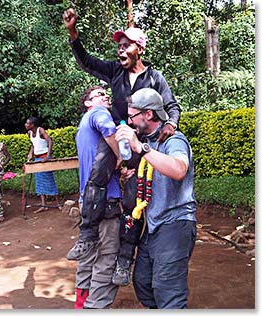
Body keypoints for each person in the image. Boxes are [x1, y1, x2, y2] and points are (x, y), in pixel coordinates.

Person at [63, 8, 181, 280]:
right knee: (96, 177)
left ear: (139, 48)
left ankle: (124, 260)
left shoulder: (154, 78)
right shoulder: (114, 71)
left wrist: (170, 125)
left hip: (143, 143)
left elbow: (172, 106)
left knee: (134, 200)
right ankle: (87, 235)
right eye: (118, 46)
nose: (120, 50)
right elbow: (87, 62)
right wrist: (73, 33)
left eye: (126, 46)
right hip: (119, 136)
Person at [115, 88, 197, 309]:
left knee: (168, 290)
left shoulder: (175, 140)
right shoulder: (150, 140)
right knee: (142, 282)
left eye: (132, 116)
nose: (130, 121)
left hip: (175, 223)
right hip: (154, 226)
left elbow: (179, 169)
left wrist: (140, 148)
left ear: (148, 115)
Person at [73, 86, 122, 309]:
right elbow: (108, 128)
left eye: (105, 94)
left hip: (87, 199)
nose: (105, 97)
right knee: (107, 255)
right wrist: (120, 157)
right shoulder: (99, 113)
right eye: (99, 95)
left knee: (88, 254)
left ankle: (81, 303)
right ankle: (96, 307)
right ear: (88, 103)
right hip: (106, 199)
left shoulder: (82, 127)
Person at [25, 117, 59, 213]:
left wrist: (47, 156)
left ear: (33, 125)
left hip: (44, 158)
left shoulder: (40, 130)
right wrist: (30, 153)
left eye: (28, 123)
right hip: (37, 159)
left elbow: (50, 141)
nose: (26, 125)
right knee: (39, 182)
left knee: (49, 180)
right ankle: (44, 205)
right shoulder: (29, 133)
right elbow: (33, 144)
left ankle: (57, 203)